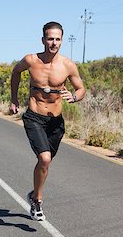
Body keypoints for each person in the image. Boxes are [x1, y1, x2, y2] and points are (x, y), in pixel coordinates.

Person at [9, 21, 86, 221]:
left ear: (61, 41)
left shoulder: (68, 65)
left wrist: (75, 97)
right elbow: (16, 72)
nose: (54, 43)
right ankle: (38, 200)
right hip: (34, 116)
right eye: (50, 38)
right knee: (44, 158)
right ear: (43, 39)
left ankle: (33, 194)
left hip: (56, 122)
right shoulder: (31, 60)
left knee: (46, 162)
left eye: (57, 39)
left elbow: (81, 89)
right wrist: (14, 98)